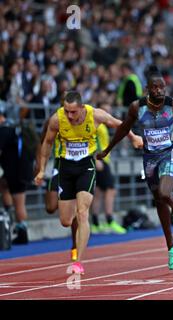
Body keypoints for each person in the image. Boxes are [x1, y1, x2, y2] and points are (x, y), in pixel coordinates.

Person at [97, 65, 173, 270]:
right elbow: (123, 129)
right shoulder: (136, 108)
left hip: (169, 153)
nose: (159, 91)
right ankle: (171, 244)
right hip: (149, 158)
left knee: (165, 191)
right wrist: (107, 150)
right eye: (155, 88)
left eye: (162, 87)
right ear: (147, 89)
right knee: (159, 201)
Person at [34, 91, 142, 274]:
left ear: (82, 108)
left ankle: (78, 262)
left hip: (86, 166)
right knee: (66, 221)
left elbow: (119, 125)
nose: (69, 115)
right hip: (64, 167)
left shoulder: (95, 115)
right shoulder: (57, 119)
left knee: (83, 212)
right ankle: (75, 213)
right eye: (66, 111)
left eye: (73, 112)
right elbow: (47, 143)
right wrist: (42, 169)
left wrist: (133, 137)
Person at [36, 117, 78, 260]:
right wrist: (39, 166)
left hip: (78, 166)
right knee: (50, 207)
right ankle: (68, 205)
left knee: (75, 210)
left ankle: (75, 246)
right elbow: (43, 142)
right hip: (59, 166)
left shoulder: (85, 118)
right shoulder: (53, 120)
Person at [91, 102, 126, 235]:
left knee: (99, 191)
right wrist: (95, 158)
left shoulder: (102, 124)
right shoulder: (96, 123)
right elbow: (91, 140)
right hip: (100, 161)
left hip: (103, 160)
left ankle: (95, 223)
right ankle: (109, 220)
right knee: (110, 190)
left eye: (109, 111)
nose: (107, 113)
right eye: (105, 110)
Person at [0, 108, 34, 245]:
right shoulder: (14, 128)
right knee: (4, 186)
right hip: (20, 170)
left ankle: (22, 233)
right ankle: (8, 214)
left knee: (19, 202)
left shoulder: (3, 131)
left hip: (16, 172)